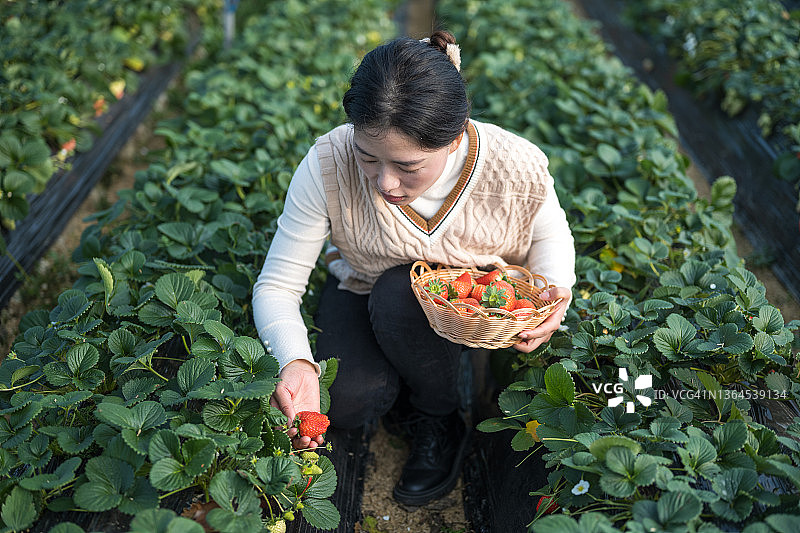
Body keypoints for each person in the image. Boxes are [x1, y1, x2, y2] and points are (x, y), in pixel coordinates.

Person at [252, 30, 575, 506]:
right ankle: (411, 377)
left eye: (408, 166)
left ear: (456, 134)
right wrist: (296, 363)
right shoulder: (327, 163)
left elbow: (550, 232)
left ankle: (440, 414)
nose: (385, 182)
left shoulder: (513, 165)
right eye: (368, 157)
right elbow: (277, 284)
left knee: (400, 294)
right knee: (347, 401)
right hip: (360, 286)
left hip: (466, 303)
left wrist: (553, 294)